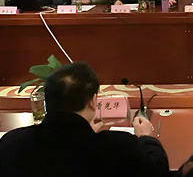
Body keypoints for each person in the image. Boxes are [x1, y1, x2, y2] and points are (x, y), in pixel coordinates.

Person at [0, 62, 169, 177]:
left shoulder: (11, 143)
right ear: (93, 101)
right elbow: (157, 170)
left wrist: (86, 133)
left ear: (47, 100)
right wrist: (145, 137)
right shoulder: (117, 146)